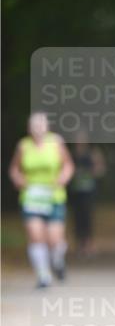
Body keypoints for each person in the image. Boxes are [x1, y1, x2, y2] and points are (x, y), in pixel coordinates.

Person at [8, 112, 74, 287]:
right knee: (36, 236)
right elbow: (14, 169)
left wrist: (62, 178)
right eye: (34, 125)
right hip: (31, 197)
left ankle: (57, 261)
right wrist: (18, 179)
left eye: (41, 125)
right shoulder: (23, 146)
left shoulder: (56, 142)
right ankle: (43, 275)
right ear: (29, 128)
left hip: (54, 196)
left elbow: (68, 165)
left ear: (47, 126)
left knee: (55, 239)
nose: (37, 128)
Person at [69, 133, 106, 255]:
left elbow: (100, 169)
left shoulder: (93, 153)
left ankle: (89, 244)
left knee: (88, 217)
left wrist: (89, 171)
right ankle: (79, 244)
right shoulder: (72, 154)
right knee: (77, 217)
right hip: (75, 191)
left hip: (89, 190)